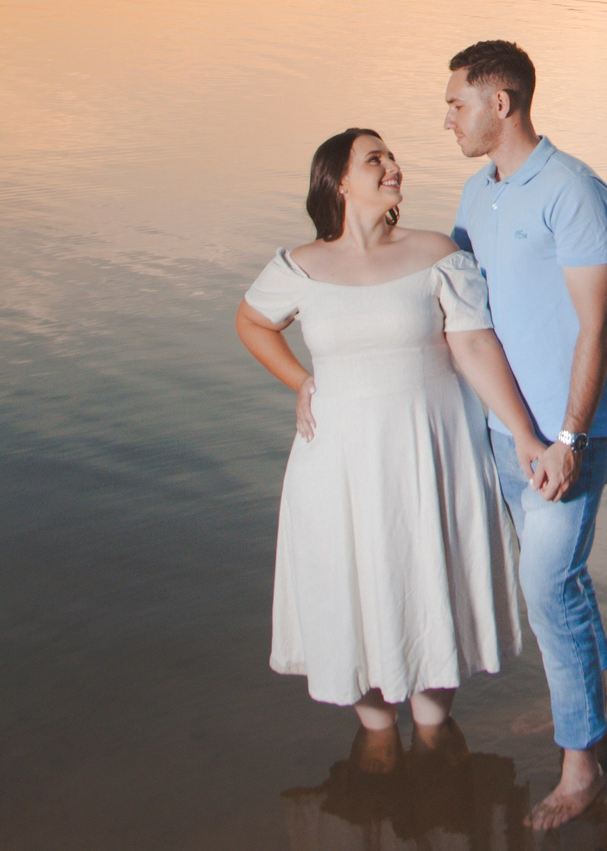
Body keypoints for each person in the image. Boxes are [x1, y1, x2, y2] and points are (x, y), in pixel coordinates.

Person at [234, 128, 548, 774]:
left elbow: (475, 347)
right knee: (356, 579)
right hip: (338, 464)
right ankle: (375, 738)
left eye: (391, 156)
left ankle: (435, 734)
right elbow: (251, 320)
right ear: (338, 182)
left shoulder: (435, 251)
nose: (392, 165)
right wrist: (302, 380)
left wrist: (525, 433)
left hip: (429, 452)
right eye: (373, 158)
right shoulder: (299, 266)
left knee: (425, 573)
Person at [443, 40, 607, 833]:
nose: (446, 117)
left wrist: (568, 436)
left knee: (547, 585)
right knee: (562, 585)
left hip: (564, 433)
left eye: (457, 103)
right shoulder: (474, 196)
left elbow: (597, 324)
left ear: (502, 103)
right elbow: (463, 314)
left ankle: (580, 761)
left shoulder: (573, 191)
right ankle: (584, 706)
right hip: (504, 430)